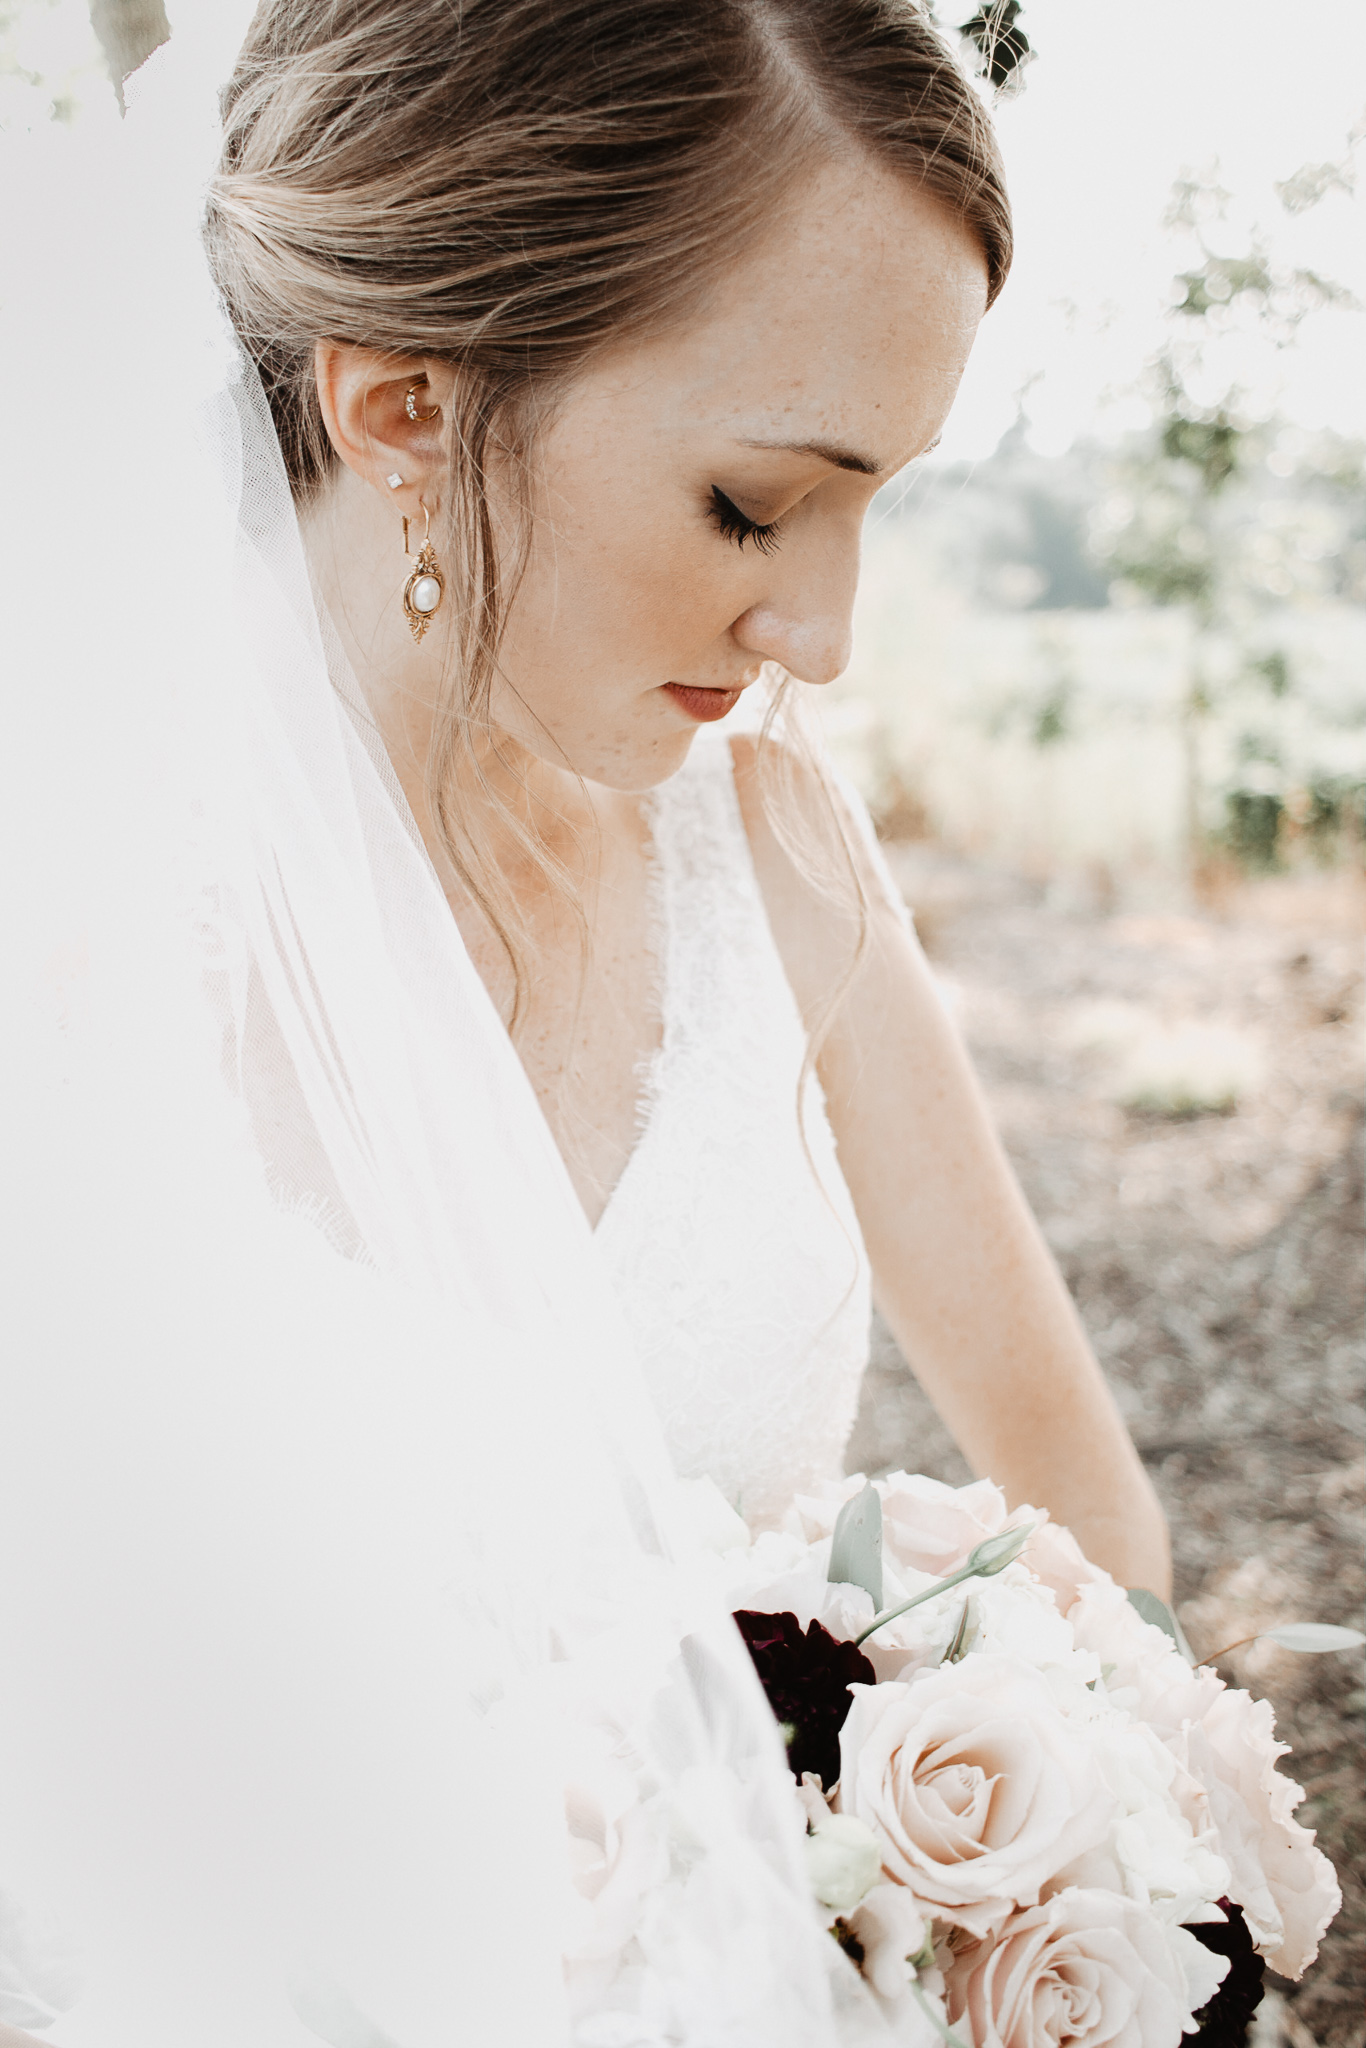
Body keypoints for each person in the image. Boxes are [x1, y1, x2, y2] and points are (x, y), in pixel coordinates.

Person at [205, 0, 1169, 1592]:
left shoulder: (771, 854)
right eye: (751, 506)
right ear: (404, 411)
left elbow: (1098, 1534)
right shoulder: (77, 916)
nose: (824, 639)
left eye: (873, 497)